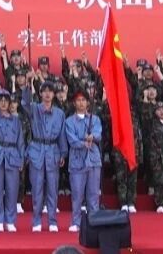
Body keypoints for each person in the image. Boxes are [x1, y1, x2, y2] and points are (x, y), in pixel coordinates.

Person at [24, 77, 65, 232]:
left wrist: (63, 152)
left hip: (53, 150)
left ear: (54, 94)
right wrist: (28, 85)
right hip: (37, 149)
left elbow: (62, 134)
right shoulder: (34, 108)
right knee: (37, 187)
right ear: (40, 94)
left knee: (52, 188)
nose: (47, 94)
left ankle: (52, 220)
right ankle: (36, 220)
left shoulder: (59, 113)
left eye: (50, 91)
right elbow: (24, 103)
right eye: (45, 91)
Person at [0, 86, 24, 232]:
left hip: (12, 154)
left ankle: (10, 220)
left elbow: (20, 140)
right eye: (0, 100)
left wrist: (21, 158)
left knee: (12, 189)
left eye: (5, 100)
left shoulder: (16, 120)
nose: (3, 103)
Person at [64, 91, 102, 231]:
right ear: (74, 103)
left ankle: (94, 222)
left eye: (83, 100)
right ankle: (76, 222)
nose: (81, 103)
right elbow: (72, 139)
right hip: (77, 160)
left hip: (93, 160)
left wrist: (92, 137)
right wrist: (83, 143)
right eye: (78, 100)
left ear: (88, 103)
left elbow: (98, 133)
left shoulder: (95, 119)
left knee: (93, 194)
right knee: (77, 194)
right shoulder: (69, 121)